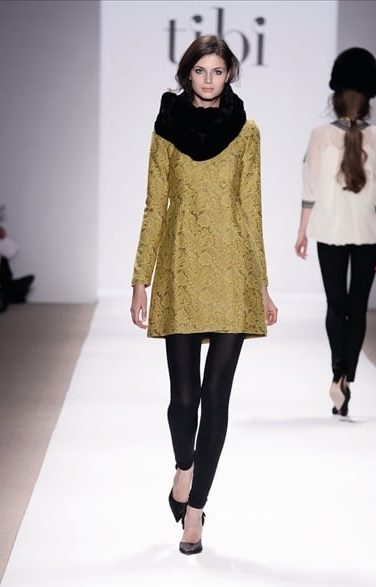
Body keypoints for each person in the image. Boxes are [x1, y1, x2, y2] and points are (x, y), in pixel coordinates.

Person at [130, 34, 277, 555]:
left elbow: (251, 208)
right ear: (187, 73)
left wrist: (262, 285)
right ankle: (184, 468)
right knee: (184, 400)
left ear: (229, 73)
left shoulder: (247, 130)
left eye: (218, 71)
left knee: (216, 398)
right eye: (200, 70)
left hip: (233, 271)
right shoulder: (166, 128)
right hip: (181, 267)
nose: (209, 80)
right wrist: (140, 279)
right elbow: (155, 205)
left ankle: (195, 512)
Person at [295, 47, 376, 417]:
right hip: (369, 233)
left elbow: (308, 187)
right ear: (369, 98)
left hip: (329, 231)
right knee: (358, 307)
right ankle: (347, 378)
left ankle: (337, 372)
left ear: (335, 97)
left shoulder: (319, 135)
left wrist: (302, 231)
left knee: (335, 306)